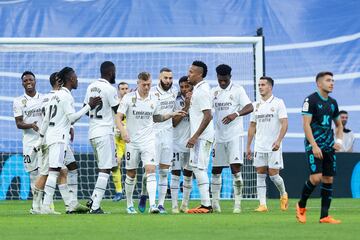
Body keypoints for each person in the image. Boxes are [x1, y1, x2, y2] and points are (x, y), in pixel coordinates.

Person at [34, 67, 101, 214]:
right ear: (70, 79)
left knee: (72, 166)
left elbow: (46, 120)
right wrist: (89, 106)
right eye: (76, 77)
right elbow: (72, 118)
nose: (77, 80)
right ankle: (45, 206)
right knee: (54, 171)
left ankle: (72, 203)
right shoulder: (66, 96)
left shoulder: (55, 95)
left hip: (53, 136)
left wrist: (40, 139)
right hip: (58, 138)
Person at [115, 72, 185, 214]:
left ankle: (153, 205)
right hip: (132, 141)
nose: (146, 87)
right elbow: (118, 117)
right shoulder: (129, 98)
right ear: (138, 83)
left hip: (149, 140)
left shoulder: (154, 98)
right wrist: (123, 131)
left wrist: (171, 114)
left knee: (151, 171)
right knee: (131, 173)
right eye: (144, 84)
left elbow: (157, 118)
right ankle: (129, 204)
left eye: (148, 84)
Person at [296, 71, 343, 224]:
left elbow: (338, 125)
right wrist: (314, 145)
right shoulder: (311, 100)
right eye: (328, 80)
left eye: (333, 80)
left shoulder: (333, 102)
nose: (332, 83)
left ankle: (324, 216)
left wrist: (339, 141)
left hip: (329, 145)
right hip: (313, 144)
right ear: (319, 83)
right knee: (316, 178)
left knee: (328, 178)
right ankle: (301, 205)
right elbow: (306, 124)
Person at [211, 64, 253, 213]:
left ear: (230, 77)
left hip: (234, 136)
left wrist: (235, 114)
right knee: (216, 170)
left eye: (225, 80)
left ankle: (237, 204)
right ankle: (215, 204)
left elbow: (250, 107)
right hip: (219, 137)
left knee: (236, 170)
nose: (222, 83)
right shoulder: (213, 92)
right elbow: (208, 112)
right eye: (220, 80)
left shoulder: (238, 89)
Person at [246, 76, 289, 212]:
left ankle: (283, 194)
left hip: (273, 146)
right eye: (259, 85)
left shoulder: (278, 103)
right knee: (260, 173)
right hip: (259, 146)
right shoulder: (255, 105)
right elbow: (252, 126)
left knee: (274, 175)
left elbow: (285, 123)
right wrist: (248, 146)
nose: (260, 87)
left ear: (270, 87)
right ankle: (262, 204)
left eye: (263, 85)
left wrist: (278, 141)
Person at [84, 61, 120, 214]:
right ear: (111, 72)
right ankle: (95, 206)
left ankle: (93, 199)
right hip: (105, 133)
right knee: (105, 170)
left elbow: (86, 109)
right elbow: (119, 110)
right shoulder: (110, 89)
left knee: (106, 167)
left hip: (92, 133)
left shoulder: (91, 86)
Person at [186, 61, 214, 214]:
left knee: (198, 168)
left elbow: (208, 115)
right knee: (198, 167)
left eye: (191, 72)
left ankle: (206, 205)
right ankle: (206, 204)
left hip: (201, 137)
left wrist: (195, 136)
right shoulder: (199, 90)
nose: (188, 74)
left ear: (199, 74)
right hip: (204, 136)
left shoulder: (202, 91)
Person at [13, 71, 43, 203]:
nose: (28, 82)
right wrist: (31, 125)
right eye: (25, 81)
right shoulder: (18, 101)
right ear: (22, 83)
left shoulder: (44, 98)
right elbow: (18, 123)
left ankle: (47, 204)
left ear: (35, 81)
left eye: (30, 80)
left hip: (43, 141)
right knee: (33, 173)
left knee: (45, 172)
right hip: (29, 142)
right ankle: (36, 205)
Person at [170, 76, 193, 214]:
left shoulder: (198, 98)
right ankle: (174, 205)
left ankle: (185, 204)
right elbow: (174, 122)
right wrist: (187, 106)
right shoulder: (175, 100)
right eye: (182, 87)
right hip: (176, 143)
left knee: (188, 174)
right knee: (175, 174)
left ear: (191, 87)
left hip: (191, 143)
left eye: (187, 87)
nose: (184, 89)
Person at [112, 82, 130, 202]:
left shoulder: (132, 102)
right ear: (118, 90)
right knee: (116, 164)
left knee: (131, 165)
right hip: (117, 139)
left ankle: (130, 192)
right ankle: (119, 191)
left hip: (129, 138)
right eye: (122, 89)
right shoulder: (115, 104)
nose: (124, 91)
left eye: (126, 89)